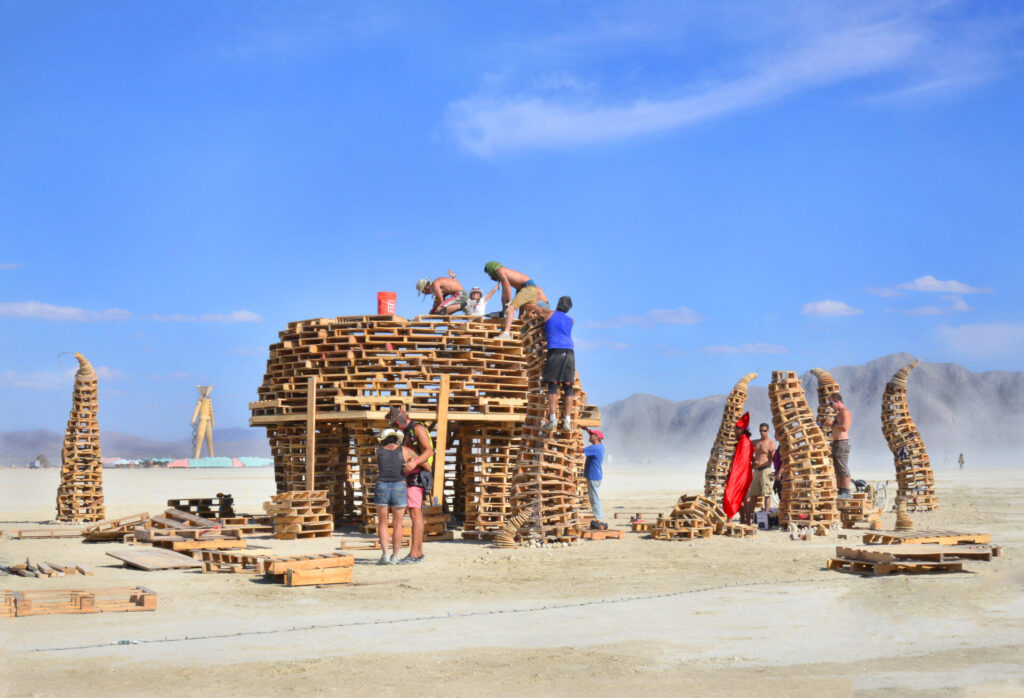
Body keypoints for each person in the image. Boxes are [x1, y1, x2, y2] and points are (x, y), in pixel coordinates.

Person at [386, 405, 435, 564]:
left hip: (418, 475)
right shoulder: (408, 431)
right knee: (415, 512)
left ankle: (414, 554)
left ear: (399, 420)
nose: (395, 427)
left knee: (415, 513)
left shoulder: (417, 428)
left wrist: (414, 463)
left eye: (395, 424)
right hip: (413, 474)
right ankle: (418, 552)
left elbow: (429, 451)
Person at [374, 428, 415, 565]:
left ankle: (385, 554)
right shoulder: (404, 450)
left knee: (383, 524)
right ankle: (395, 557)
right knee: (398, 525)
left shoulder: (378, 451)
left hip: (382, 486)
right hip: (399, 486)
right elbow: (417, 459)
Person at [535, 296, 575, 430]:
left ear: (558, 304)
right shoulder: (571, 321)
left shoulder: (549, 313)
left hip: (555, 351)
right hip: (569, 352)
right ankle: (567, 422)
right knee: (568, 387)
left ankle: (552, 420)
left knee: (553, 385)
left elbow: (533, 307)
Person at [483, 262, 549, 338]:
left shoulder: (500, 270)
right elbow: (505, 293)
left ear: (491, 268)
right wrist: (505, 309)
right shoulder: (506, 274)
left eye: (489, 273)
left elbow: (507, 286)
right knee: (528, 312)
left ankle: (506, 334)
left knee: (511, 307)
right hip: (527, 288)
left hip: (528, 288)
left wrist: (508, 303)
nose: (489, 276)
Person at [742, 422, 776, 525]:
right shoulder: (756, 442)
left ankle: (766, 516)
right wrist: (752, 459)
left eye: (764, 431)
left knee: (767, 494)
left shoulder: (771, 444)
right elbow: (745, 443)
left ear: (768, 431)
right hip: (756, 471)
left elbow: (773, 459)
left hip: (766, 470)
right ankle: (750, 517)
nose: (762, 433)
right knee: (753, 495)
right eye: (761, 430)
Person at [828, 394, 854, 499]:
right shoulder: (838, 414)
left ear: (837, 401)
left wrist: (832, 425)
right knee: (837, 468)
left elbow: (845, 428)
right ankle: (840, 490)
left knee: (843, 467)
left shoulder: (845, 412)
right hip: (836, 442)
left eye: (831, 403)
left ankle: (847, 491)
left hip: (842, 442)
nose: (831, 406)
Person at [582, 427, 605, 527]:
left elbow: (579, 450)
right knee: (594, 498)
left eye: (592, 435)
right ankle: (598, 518)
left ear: (596, 437)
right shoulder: (600, 446)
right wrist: (587, 430)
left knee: (594, 499)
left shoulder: (594, 448)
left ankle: (599, 519)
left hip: (593, 476)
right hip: (596, 476)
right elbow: (593, 436)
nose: (589, 436)